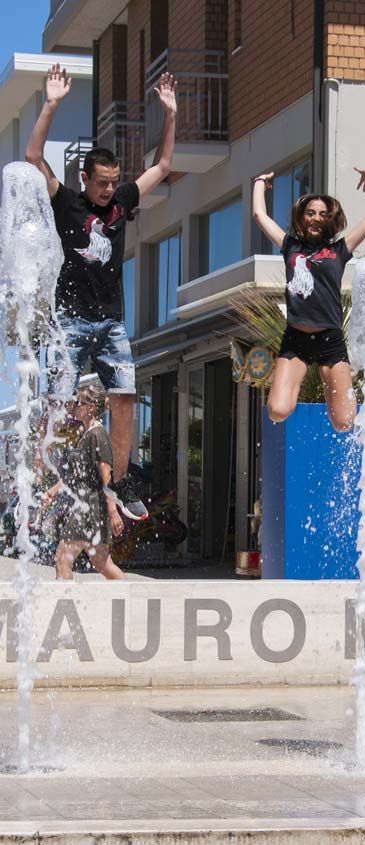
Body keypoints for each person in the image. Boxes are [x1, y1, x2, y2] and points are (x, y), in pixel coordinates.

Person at [24, 63, 178, 522]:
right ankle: (43, 476)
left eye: (115, 182)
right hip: (69, 321)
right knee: (59, 403)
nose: (111, 190)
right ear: (85, 179)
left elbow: (164, 166)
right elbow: (34, 156)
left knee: (125, 396)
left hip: (111, 321)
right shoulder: (65, 202)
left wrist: (170, 115)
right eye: (103, 182)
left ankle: (122, 480)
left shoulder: (123, 203)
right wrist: (51, 103)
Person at [251, 168, 365, 430]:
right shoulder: (290, 246)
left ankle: (328, 382)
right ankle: (305, 381)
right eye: (310, 213)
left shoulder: (339, 249)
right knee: (277, 411)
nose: (316, 218)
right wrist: (259, 182)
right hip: (296, 339)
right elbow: (259, 215)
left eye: (323, 214)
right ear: (302, 217)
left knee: (344, 422)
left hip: (330, 340)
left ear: (330, 220)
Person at [42, 384, 125, 581]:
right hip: (86, 505)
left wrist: (113, 512)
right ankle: (130, 600)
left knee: (62, 559)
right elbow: (75, 476)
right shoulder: (86, 435)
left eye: (80, 403)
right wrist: (52, 492)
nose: (75, 406)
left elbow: (106, 478)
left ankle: (64, 604)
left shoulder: (98, 435)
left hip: (89, 507)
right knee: (102, 562)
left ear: (91, 408)